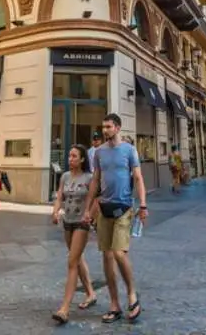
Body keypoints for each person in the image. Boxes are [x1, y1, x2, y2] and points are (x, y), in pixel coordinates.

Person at [82, 113, 147, 324]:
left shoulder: (129, 150)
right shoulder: (98, 153)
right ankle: (114, 304)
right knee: (107, 257)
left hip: (124, 208)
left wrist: (143, 205)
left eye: (108, 127)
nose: (105, 130)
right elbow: (95, 181)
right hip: (104, 209)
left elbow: (138, 178)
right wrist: (88, 209)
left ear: (118, 128)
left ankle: (132, 295)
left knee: (119, 253)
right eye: (104, 127)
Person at [50, 145, 99, 324]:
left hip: (81, 223)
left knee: (72, 261)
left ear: (82, 159)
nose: (70, 159)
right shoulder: (65, 176)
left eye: (74, 156)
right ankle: (91, 293)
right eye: (69, 156)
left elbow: (96, 199)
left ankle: (64, 309)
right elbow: (60, 196)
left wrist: (90, 216)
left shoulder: (89, 178)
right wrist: (55, 212)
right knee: (77, 259)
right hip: (68, 222)